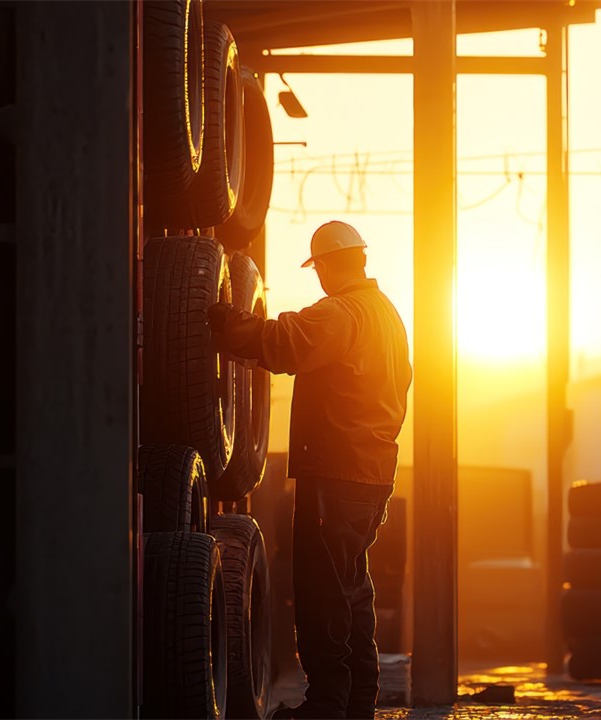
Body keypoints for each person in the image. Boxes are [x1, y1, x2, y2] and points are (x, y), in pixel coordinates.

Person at [208, 220, 412, 720]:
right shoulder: (387, 315)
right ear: (361, 258)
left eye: (318, 267)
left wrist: (223, 322)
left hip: (336, 475)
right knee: (352, 593)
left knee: (323, 596)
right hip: (372, 476)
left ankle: (325, 707)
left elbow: (283, 343)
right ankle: (356, 703)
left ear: (325, 266)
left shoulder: (340, 313)